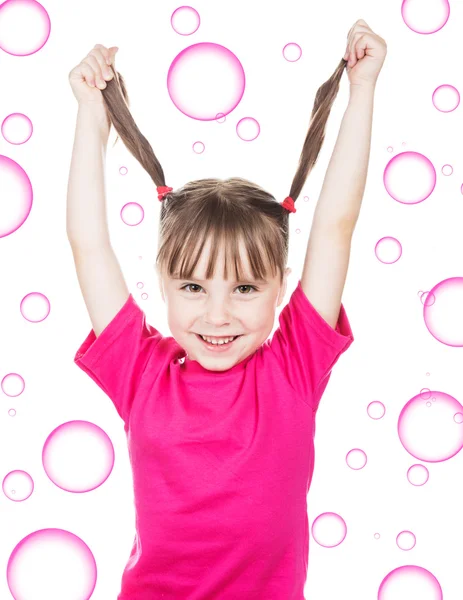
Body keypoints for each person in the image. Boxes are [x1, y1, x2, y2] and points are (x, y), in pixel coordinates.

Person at [66, 19, 387, 599]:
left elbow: (335, 227)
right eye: (192, 287)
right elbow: (88, 244)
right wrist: (92, 114)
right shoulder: (141, 373)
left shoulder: (294, 365)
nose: (217, 315)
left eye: (244, 289)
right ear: (161, 284)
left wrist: (361, 89)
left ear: (281, 287)